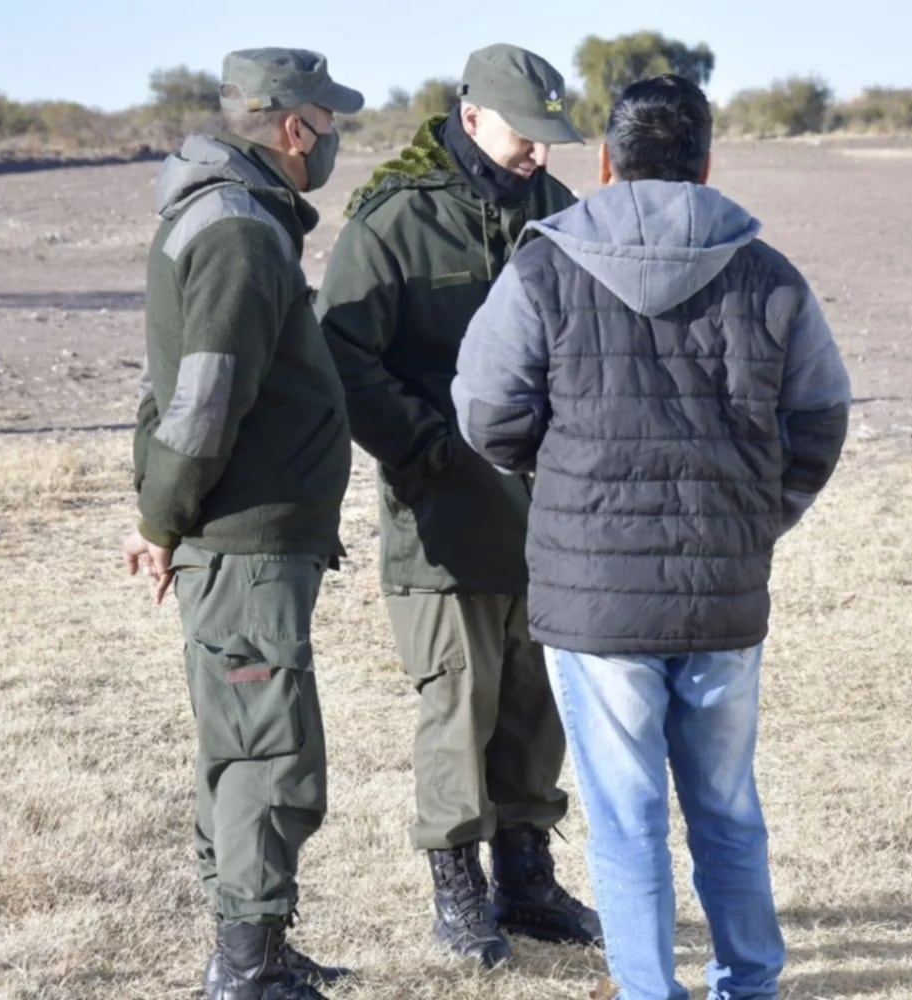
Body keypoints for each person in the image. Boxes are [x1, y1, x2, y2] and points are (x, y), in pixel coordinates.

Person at [451, 74, 852, 1000]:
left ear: (604, 163)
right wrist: (758, 517)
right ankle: (749, 981)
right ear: (707, 163)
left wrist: (554, 477)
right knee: (726, 805)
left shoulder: (543, 267)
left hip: (596, 603)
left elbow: (484, 411)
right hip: (723, 591)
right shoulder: (769, 274)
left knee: (624, 817)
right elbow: (820, 419)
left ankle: (648, 988)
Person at [315, 43, 600, 967]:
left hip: (551, 515)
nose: (540, 155)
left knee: (536, 701)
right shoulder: (393, 221)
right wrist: (428, 451)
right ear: (472, 116)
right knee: (459, 705)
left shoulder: (560, 215)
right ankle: (458, 890)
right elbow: (345, 359)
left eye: (553, 139)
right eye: (528, 136)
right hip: (442, 517)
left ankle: (527, 879)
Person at [123, 47, 362, 1000]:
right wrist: (161, 518)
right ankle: (248, 966)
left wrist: (161, 517)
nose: (337, 136)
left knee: (240, 736)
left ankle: (252, 944)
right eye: (331, 120)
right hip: (246, 538)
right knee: (267, 743)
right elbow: (202, 402)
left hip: (242, 535)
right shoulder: (239, 232)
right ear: (295, 128)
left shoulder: (236, 216)